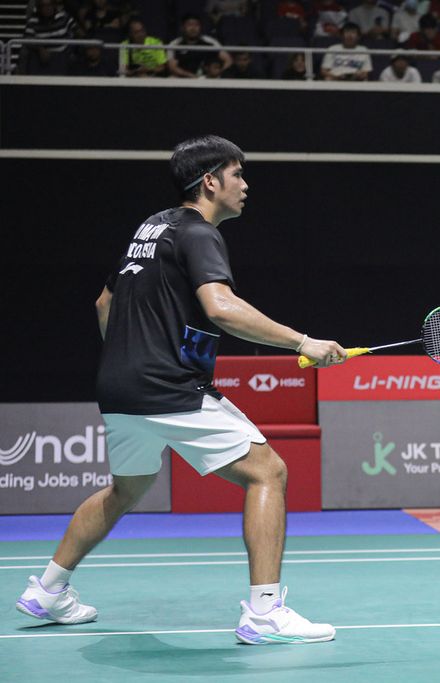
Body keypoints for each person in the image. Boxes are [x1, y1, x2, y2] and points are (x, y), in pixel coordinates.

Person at [14, 135, 347, 644]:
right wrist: (306, 342)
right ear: (211, 181)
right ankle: (264, 611)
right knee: (268, 473)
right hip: (168, 386)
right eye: (238, 174)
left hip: (119, 386)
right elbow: (220, 307)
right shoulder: (199, 233)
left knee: (125, 490)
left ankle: (48, 590)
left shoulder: (150, 227)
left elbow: (105, 302)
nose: (245, 185)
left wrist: (130, 357)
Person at [168, 14, 232, 78]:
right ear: (182, 27)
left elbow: (228, 60)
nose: (193, 28)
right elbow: (172, 67)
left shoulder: (210, 42)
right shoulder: (175, 44)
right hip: (183, 79)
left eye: (196, 25)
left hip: (207, 79)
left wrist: (217, 73)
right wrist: (190, 76)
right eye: (189, 25)